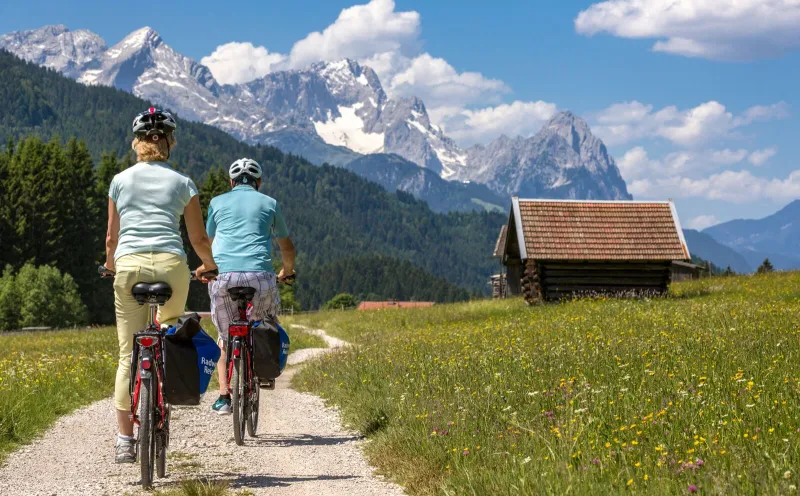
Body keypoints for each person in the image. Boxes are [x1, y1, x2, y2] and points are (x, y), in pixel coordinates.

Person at [104, 108, 218, 463]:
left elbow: (111, 237)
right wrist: (210, 266)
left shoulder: (120, 180)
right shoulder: (183, 183)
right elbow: (198, 237)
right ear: (169, 141)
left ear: (137, 143)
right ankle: (162, 399)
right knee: (168, 332)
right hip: (171, 267)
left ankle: (125, 439)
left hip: (130, 267)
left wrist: (110, 265)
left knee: (128, 353)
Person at [206, 158, 296, 414]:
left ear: (231, 182)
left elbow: (207, 241)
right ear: (259, 182)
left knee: (225, 338)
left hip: (223, 277)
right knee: (264, 324)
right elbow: (287, 247)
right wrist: (287, 272)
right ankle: (263, 371)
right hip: (260, 276)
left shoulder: (216, 202)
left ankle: (224, 397)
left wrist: (205, 268)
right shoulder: (269, 203)